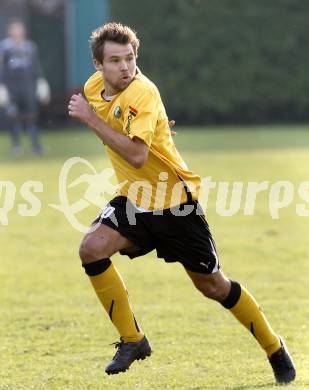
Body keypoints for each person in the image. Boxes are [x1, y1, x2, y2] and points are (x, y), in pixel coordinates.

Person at [68, 22, 296, 383]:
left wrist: (91, 120)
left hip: (175, 204)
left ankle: (274, 346)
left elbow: (138, 156)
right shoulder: (94, 89)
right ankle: (133, 339)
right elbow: (125, 125)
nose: (125, 67)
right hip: (134, 199)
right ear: (98, 65)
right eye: (115, 61)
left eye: (130, 58)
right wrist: (152, 124)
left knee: (213, 286)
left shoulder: (142, 92)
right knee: (91, 248)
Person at [0, 19, 50, 156]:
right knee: (13, 116)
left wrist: (41, 81)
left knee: (31, 117)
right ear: (10, 31)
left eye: (20, 29)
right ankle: (16, 147)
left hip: (27, 88)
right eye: (15, 29)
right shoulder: (5, 47)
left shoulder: (30, 47)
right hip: (11, 88)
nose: (18, 32)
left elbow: (36, 67)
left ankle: (36, 146)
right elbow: (2, 68)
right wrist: (2, 86)